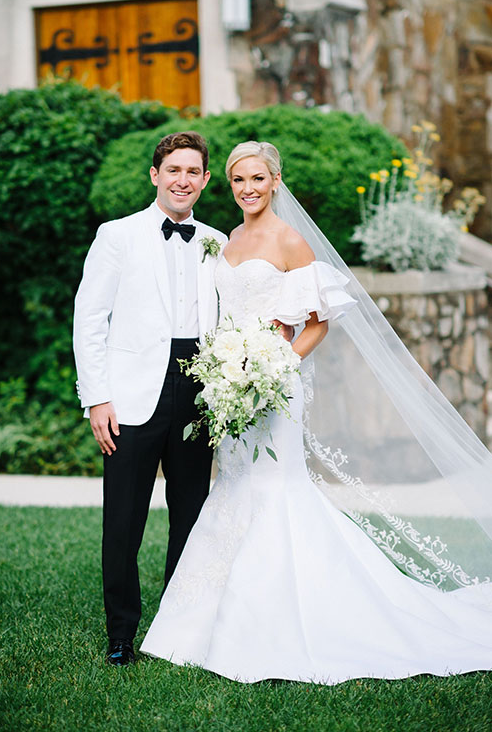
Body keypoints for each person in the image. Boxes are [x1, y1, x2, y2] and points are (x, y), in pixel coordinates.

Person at [140, 140, 492, 684]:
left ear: (276, 181)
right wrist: (228, 373)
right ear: (227, 185)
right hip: (229, 387)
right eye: (238, 180)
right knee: (233, 488)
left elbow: (318, 324)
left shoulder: (289, 240)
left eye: (258, 179)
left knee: (275, 490)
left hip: (271, 386)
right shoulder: (228, 239)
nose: (248, 189)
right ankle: (200, 626)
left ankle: (284, 622)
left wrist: (271, 369)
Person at [73, 132, 228, 666]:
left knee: (191, 514)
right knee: (123, 521)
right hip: (132, 396)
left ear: (206, 181)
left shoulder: (218, 240)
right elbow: (90, 319)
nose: (183, 179)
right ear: (155, 175)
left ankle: (178, 629)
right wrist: (97, 398)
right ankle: (121, 633)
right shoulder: (117, 236)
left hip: (199, 391)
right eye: (173, 170)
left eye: (193, 171)